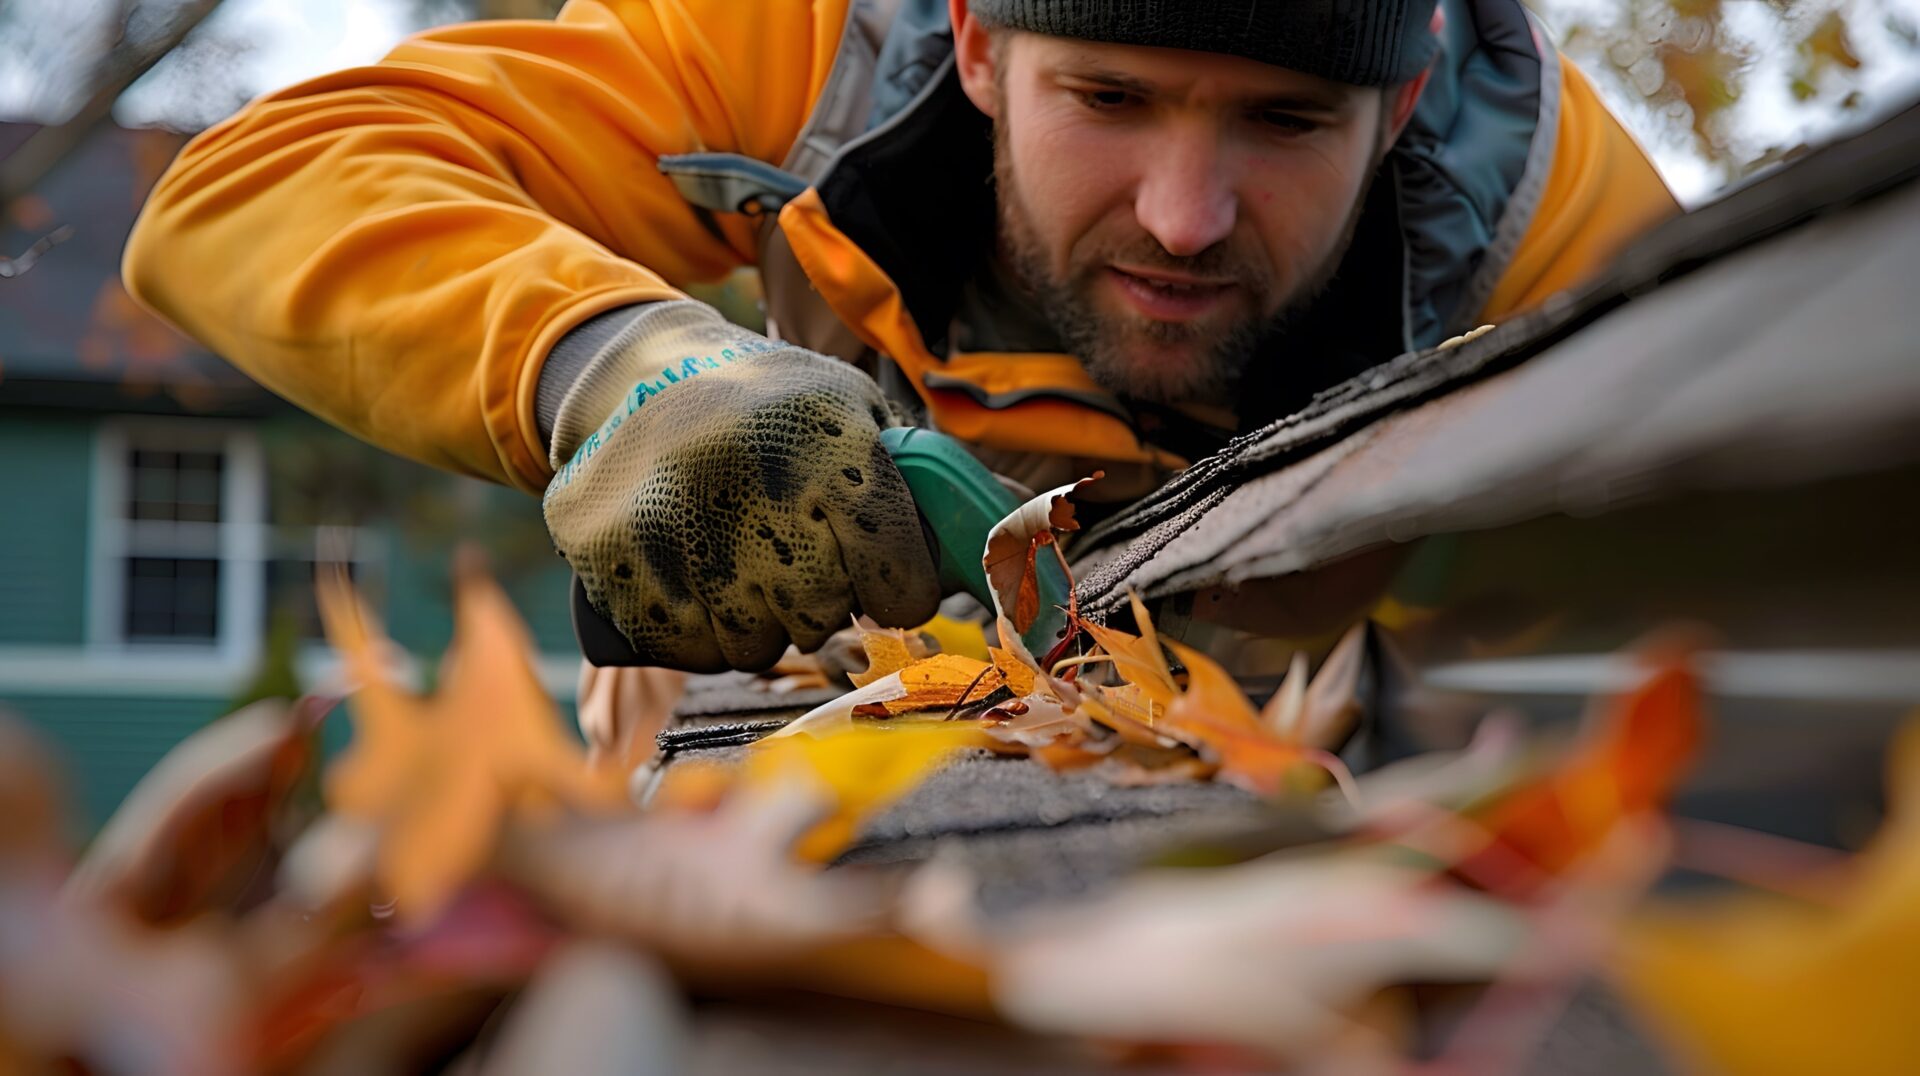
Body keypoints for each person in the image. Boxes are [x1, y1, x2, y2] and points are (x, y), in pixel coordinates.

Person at [123, 0, 1676, 673]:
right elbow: (253, 188)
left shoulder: (1568, 232)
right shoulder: (804, 53)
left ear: (1400, 104)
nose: (1187, 213)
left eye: (1281, 123)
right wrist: (617, 364)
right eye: (1111, 101)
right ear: (983, 45)